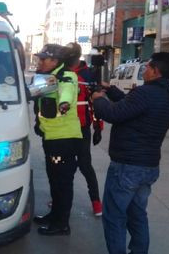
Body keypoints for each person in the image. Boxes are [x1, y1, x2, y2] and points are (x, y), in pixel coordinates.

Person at [92, 52, 169, 254]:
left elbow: (114, 113)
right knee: (137, 214)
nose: (145, 70)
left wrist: (98, 100)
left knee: (114, 216)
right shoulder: (166, 96)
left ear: (155, 71)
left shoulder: (146, 93)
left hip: (127, 167)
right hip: (147, 167)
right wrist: (111, 90)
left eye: (147, 67)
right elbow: (131, 107)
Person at [32, 44, 82, 235]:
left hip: (64, 141)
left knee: (62, 181)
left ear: (56, 61)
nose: (40, 62)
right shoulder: (46, 78)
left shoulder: (66, 76)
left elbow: (67, 93)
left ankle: (62, 223)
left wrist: (64, 104)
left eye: (44, 59)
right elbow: (33, 95)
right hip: (51, 138)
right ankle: (54, 215)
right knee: (54, 178)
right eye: (40, 58)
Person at [65, 42, 103, 216]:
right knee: (66, 167)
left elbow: (96, 103)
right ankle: (62, 199)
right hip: (64, 128)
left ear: (77, 56)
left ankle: (96, 202)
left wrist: (98, 127)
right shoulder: (61, 73)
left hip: (82, 128)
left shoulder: (89, 74)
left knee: (85, 166)